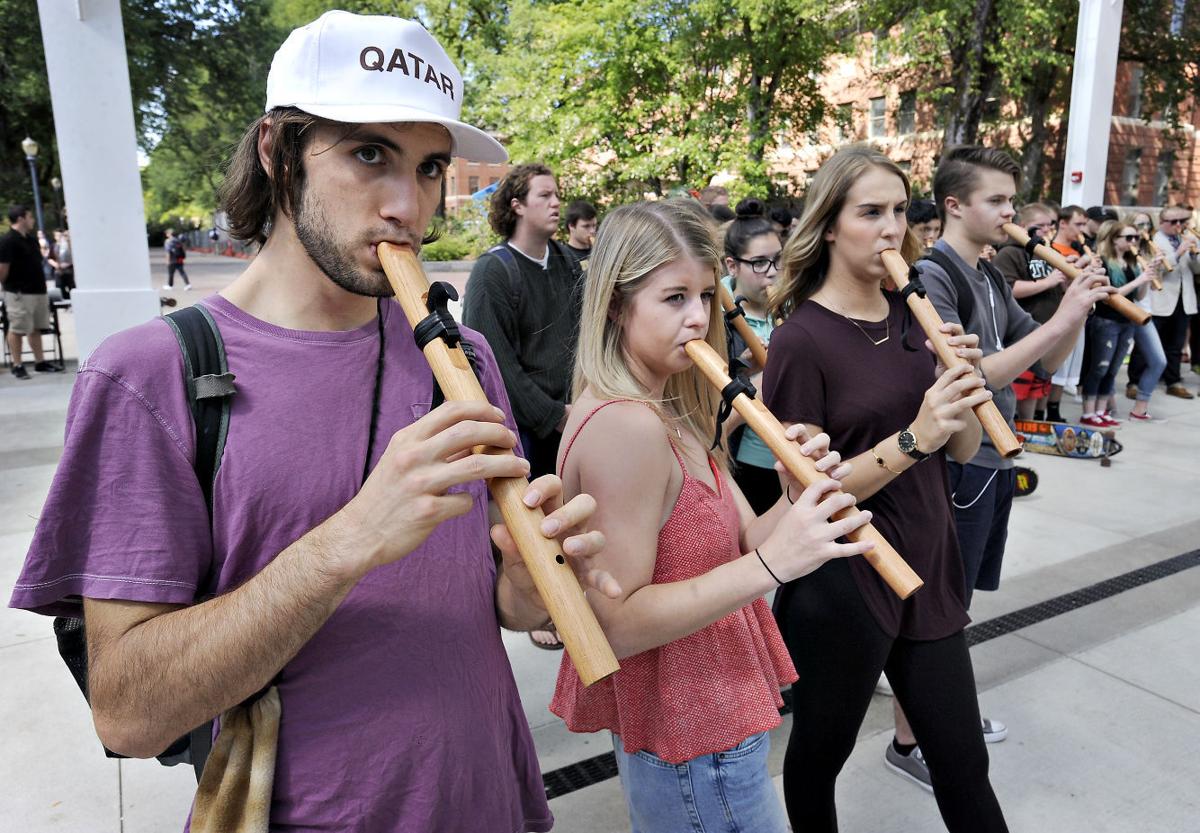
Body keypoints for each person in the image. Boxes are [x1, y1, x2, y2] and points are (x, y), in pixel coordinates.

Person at [9, 13, 616, 832]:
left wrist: (525, 584)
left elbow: (481, 606)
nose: (409, 205)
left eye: (430, 166)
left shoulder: (460, 355)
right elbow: (130, 712)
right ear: (276, 151)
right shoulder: (152, 376)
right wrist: (353, 535)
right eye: (369, 153)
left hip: (492, 799)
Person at [550, 198, 872, 832]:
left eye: (705, 295)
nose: (698, 319)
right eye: (673, 298)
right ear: (616, 304)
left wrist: (794, 492)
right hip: (692, 737)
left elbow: (738, 537)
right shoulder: (626, 426)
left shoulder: (666, 404)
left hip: (715, 719)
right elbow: (613, 625)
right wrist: (773, 567)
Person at [762, 145, 1004, 832]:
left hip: (927, 562)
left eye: (899, 211)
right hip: (846, 582)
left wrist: (958, 387)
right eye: (871, 212)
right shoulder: (801, 339)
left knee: (963, 764)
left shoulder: (914, 312)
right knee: (818, 758)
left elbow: (958, 447)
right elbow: (804, 488)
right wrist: (915, 434)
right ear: (830, 225)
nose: (892, 228)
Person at [915, 145, 1110, 743]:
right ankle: (928, 724)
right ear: (955, 205)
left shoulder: (992, 273)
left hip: (998, 457)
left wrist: (1076, 309)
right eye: (996, 202)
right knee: (946, 604)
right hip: (962, 460)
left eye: (1011, 202)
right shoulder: (933, 275)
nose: (1010, 216)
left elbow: (1044, 362)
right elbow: (970, 377)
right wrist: (1059, 317)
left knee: (961, 596)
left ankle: (924, 705)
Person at [463, 162, 585, 651]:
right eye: (545, 195)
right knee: (532, 530)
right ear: (516, 204)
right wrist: (555, 415)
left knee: (573, 520)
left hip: (574, 415)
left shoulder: (565, 261)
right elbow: (492, 366)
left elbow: (583, 338)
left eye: (558, 195)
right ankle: (542, 609)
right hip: (526, 428)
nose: (557, 203)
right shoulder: (494, 271)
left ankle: (575, 600)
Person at [720, 198, 784, 512]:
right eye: (759, 263)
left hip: (794, 448)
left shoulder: (792, 304)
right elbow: (706, 394)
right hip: (746, 455)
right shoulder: (714, 315)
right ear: (732, 265)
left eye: (777, 260)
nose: (771, 273)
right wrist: (746, 368)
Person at [1079, 221, 1160, 426]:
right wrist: (1138, 280)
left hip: (1127, 322)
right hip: (1106, 321)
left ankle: (1102, 410)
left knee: (1113, 369)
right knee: (1099, 368)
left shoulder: (1132, 263)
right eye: (1129, 237)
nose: (1134, 241)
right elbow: (1108, 295)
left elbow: (1137, 296)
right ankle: (1088, 413)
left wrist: (1147, 279)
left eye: (1136, 237)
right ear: (1115, 239)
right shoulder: (1103, 262)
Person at [992, 203, 1066, 420]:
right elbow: (1009, 289)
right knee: (1020, 387)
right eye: (1039, 225)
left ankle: (1030, 427)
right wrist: (1048, 281)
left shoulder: (1045, 251)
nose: (1046, 229)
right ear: (1023, 226)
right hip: (1022, 332)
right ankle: (1013, 426)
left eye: (1049, 225)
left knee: (1039, 385)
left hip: (1046, 327)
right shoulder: (1010, 253)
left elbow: (1059, 286)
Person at [0, 204, 61, 378]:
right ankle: (17, 364)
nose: (33, 220)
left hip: (37, 291)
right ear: (21, 218)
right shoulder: (8, 241)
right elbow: (2, 269)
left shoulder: (31, 240)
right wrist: (9, 287)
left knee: (35, 328)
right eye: (30, 217)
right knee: (17, 328)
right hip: (19, 293)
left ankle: (40, 362)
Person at [1149, 205, 1200, 398]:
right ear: (1162, 223)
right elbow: (1160, 268)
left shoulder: (1185, 239)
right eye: (1173, 222)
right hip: (1162, 298)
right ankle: (1136, 382)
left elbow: (1196, 270)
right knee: (1151, 343)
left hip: (1183, 299)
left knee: (1176, 345)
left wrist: (1194, 254)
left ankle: (1173, 380)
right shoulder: (1154, 240)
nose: (1179, 225)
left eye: (1181, 221)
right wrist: (1179, 252)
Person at [563, 199, 598, 265]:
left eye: (594, 225)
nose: (592, 231)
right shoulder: (564, 257)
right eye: (586, 226)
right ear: (571, 226)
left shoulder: (598, 252)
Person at [48, 228, 74, 299]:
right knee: (60, 288)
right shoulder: (53, 246)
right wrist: (55, 264)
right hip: (58, 272)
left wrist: (67, 264)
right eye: (57, 236)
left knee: (71, 287)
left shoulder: (68, 245)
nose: (59, 237)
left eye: (61, 235)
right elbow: (50, 258)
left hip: (69, 271)